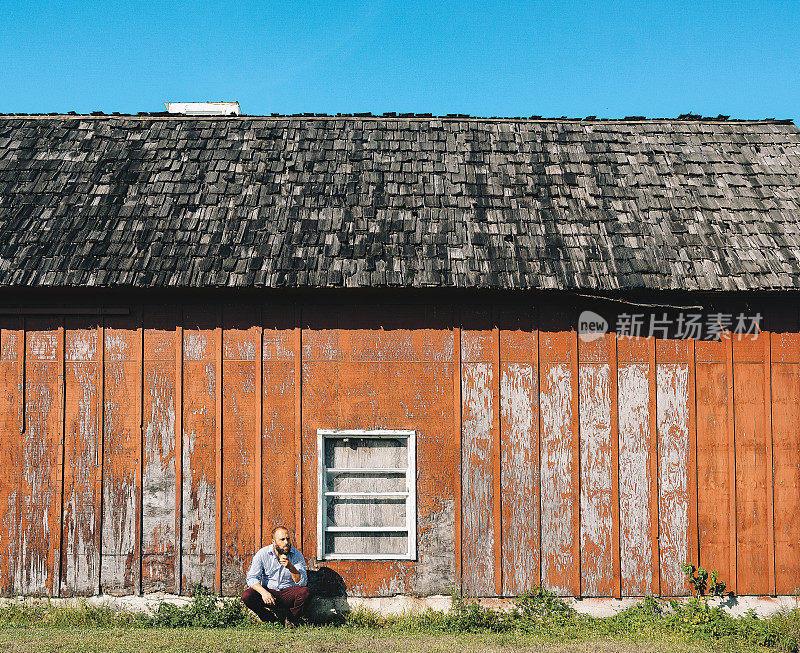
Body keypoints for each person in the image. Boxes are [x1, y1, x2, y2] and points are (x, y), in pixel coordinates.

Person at [241, 526, 311, 627]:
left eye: (288, 539)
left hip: (288, 593)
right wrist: (264, 593)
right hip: (269, 592)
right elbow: (252, 578)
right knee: (247, 596)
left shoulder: (296, 555)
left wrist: (291, 567)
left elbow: (302, 583)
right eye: (282, 540)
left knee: (306, 593)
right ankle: (270, 619)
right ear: (274, 542)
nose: (286, 542)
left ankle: (291, 620)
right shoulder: (263, 554)